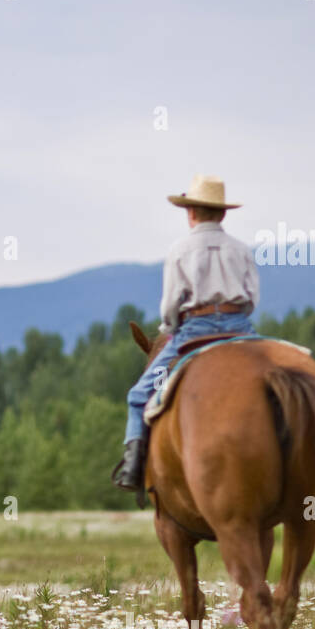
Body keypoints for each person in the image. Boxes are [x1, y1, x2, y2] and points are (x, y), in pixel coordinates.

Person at [112, 175, 259, 491]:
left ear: (191, 212)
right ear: (222, 214)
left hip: (195, 330)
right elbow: (252, 298)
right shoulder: (241, 250)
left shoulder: (180, 250)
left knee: (138, 396)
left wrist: (170, 329)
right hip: (241, 329)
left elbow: (170, 307)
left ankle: (133, 468)